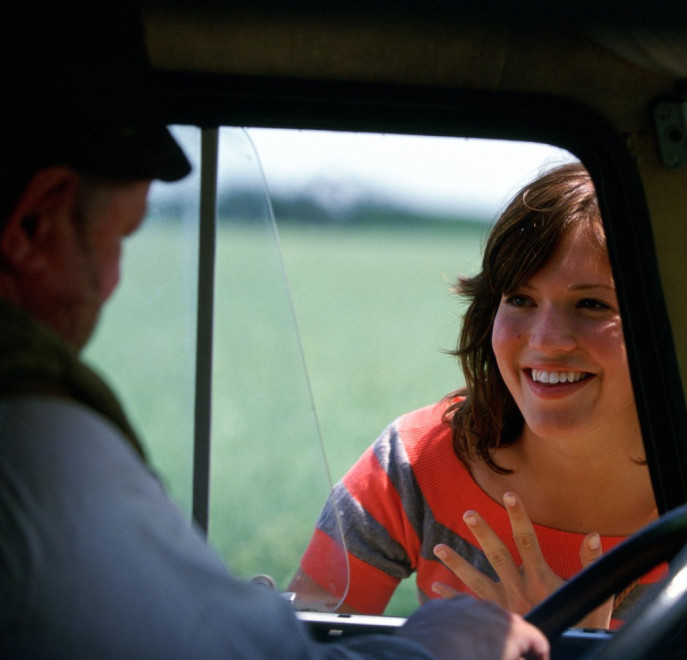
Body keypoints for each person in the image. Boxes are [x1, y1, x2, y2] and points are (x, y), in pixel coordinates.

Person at [0, 4, 549, 658]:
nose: (114, 283)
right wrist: (444, 646)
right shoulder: (41, 454)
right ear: (34, 227)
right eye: (119, 239)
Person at [289, 162, 663, 629]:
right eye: (521, 300)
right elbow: (300, 642)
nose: (546, 340)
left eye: (592, 304)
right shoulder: (416, 461)